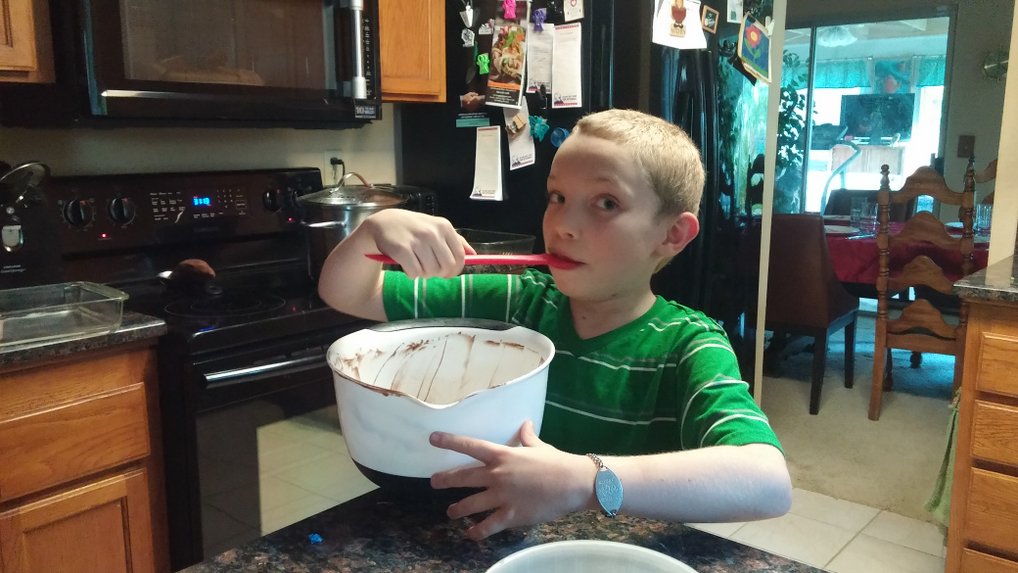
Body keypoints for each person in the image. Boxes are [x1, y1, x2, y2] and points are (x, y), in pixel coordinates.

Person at [318, 108, 792, 541]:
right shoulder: (516, 300)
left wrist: (581, 481)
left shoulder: (687, 344)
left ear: (672, 235)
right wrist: (371, 232)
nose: (563, 223)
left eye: (605, 203)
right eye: (557, 196)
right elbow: (348, 292)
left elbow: (767, 482)